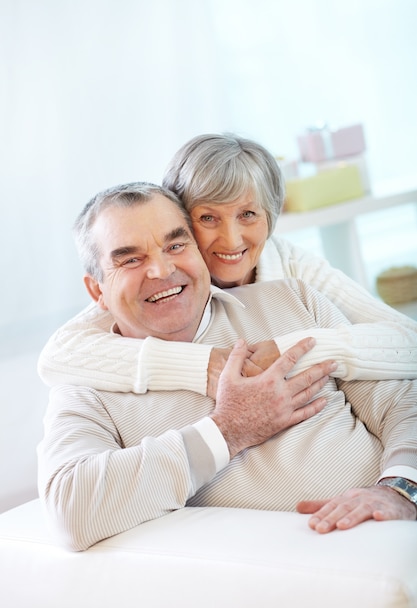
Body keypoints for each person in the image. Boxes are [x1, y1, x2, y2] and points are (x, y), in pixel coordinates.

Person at [37, 182, 417, 552]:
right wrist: (228, 430)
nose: (161, 270)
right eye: (131, 259)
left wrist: (401, 489)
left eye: (176, 244)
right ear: (97, 291)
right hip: (283, 574)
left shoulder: (292, 298)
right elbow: (70, 508)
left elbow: (402, 402)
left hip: (393, 528)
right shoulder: (86, 385)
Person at [37, 134, 417, 399]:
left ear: (271, 217)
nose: (232, 240)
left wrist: (286, 351)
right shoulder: (161, 282)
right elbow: (58, 355)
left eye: (248, 214)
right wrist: (203, 366)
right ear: (181, 221)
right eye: (208, 219)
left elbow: (407, 341)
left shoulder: (292, 266)